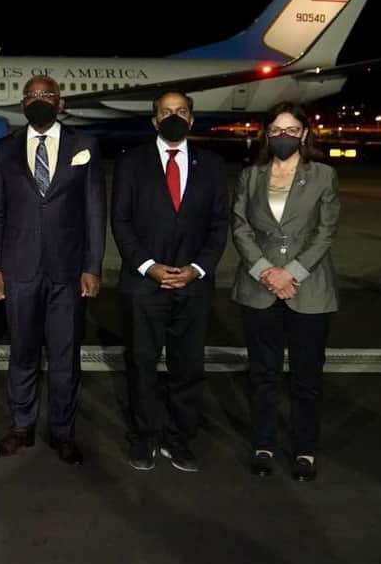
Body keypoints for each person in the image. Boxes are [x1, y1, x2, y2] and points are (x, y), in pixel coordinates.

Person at [0, 75, 106, 465]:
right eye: (32, 96)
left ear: (60, 103)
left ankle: (62, 432)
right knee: (22, 352)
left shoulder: (84, 145)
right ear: (23, 104)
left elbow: (94, 210)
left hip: (68, 271)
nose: (39, 100)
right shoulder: (3, 149)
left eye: (46, 95)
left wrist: (92, 266)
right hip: (18, 269)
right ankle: (21, 427)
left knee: (65, 356)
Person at [110, 90, 229, 473]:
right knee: (141, 364)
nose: (173, 117)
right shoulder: (131, 163)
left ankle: (179, 438)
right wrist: (148, 266)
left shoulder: (212, 165)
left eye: (180, 111)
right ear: (154, 120)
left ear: (191, 118)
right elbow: (121, 221)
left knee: (188, 367)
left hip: (194, 285)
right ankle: (144, 436)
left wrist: (198, 268)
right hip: (144, 284)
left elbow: (219, 225)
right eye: (165, 112)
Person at [231, 102, 339, 482]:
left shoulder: (323, 175)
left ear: (305, 134)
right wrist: (265, 271)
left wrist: (290, 273)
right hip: (258, 287)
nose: (283, 136)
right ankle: (263, 444)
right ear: (267, 134)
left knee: (306, 377)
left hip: (308, 288)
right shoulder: (251, 176)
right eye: (277, 129)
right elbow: (240, 226)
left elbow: (325, 231)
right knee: (263, 373)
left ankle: (304, 449)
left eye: (292, 130)